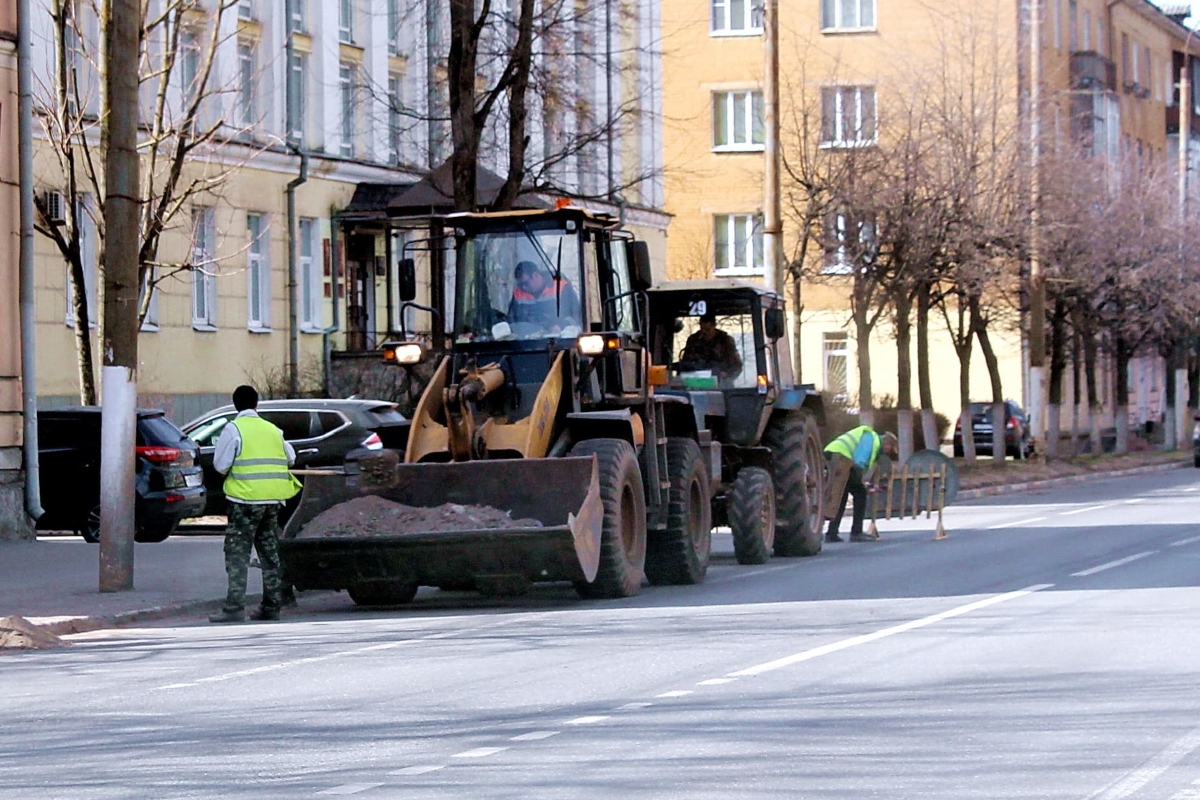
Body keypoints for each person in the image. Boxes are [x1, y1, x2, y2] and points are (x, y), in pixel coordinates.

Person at [208, 385, 302, 623]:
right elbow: (291, 457)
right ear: (256, 404)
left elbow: (220, 466)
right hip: (272, 500)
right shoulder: (272, 429)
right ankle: (272, 606)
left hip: (244, 500)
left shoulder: (233, 429)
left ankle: (234, 608)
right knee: (269, 552)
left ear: (235, 404)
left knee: (237, 553)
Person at [823, 426, 898, 543]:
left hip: (833, 454)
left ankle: (831, 533)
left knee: (841, 495)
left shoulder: (871, 440)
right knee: (860, 493)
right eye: (890, 449)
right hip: (841, 456)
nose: (888, 452)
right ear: (887, 443)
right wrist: (860, 481)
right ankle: (856, 532)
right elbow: (858, 460)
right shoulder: (872, 439)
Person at [507, 260, 581, 332]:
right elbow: (512, 320)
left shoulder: (561, 286)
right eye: (520, 284)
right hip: (528, 340)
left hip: (558, 339)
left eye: (525, 283)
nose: (523, 287)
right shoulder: (518, 293)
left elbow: (575, 315)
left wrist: (560, 325)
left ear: (535, 275)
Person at [680, 313, 743, 382]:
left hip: (721, 384)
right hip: (695, 382)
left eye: (707, 329)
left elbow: (737, 366)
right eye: (702, 329)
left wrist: (726, 375)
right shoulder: (693, 340)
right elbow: (685, 363)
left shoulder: (725, 341)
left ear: (714, 326)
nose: (704, 333)